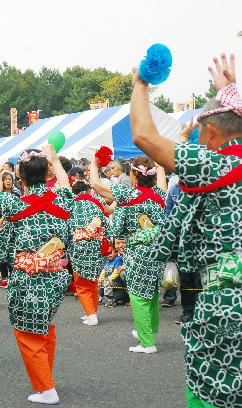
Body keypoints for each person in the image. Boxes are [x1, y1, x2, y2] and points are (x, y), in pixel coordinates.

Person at [130, 52, 241, 407]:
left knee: (212, 391)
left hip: (227, 302)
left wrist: (141, 83)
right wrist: (232, 92)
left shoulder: (214, 164)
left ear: (211, 132)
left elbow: (144, 135)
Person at [0, 144, 71, 404]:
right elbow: (65, 183)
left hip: (28, 277)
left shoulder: (14, 204)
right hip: (57, 275)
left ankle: (46, 388)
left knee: (27, 332)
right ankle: (46, 378)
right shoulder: (62, 199)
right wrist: (55, 160)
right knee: (44, 326)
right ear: (47, 174)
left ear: (20, 177)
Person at [91, 155, 167, 354]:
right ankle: (149, 330)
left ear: (133, 174)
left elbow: (97, 187)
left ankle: (147, 342)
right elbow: (161, 179)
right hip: (158, 250)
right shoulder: (160, 193)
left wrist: (94, 163)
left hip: (138, 251)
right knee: (151, 293)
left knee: (138, 296)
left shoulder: (128, 193)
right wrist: (160, 167)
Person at [68, 177, 109, 326]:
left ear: (74, 193)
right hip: (96, 246)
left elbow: (67, 228)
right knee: (92, 281)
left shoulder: (72, 205)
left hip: (79, 247)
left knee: (81, 283)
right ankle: (92, 311)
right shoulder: (96, 204)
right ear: (89, 191)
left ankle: (91, 315)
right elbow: (106, 223)